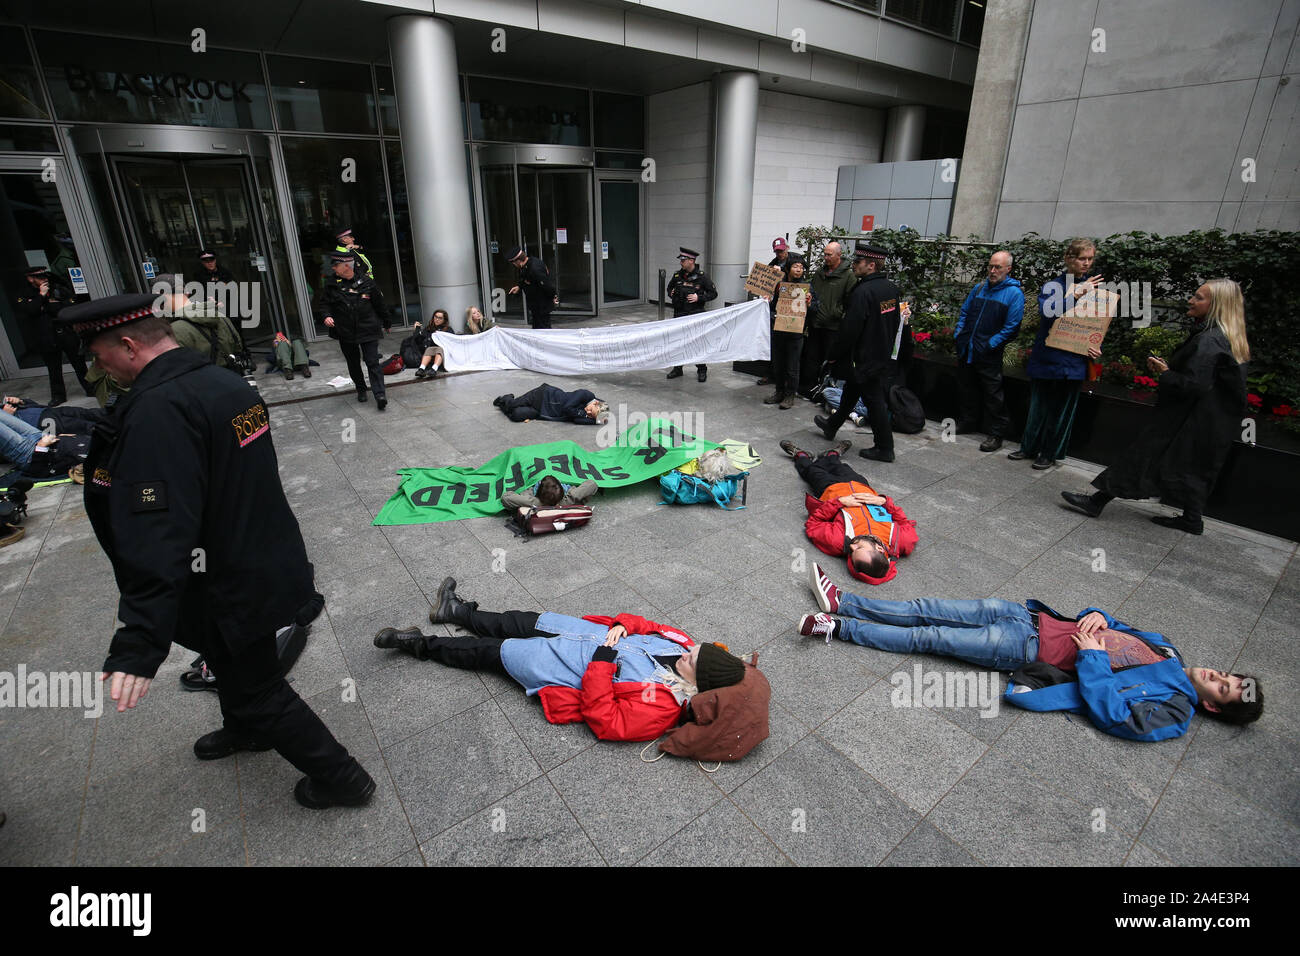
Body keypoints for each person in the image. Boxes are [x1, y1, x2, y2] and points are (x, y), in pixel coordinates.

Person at [54, 293, 374, 808]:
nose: (98, 366)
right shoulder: (222, 382)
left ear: (130, 345)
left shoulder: (158, 411)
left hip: (226, 580)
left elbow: (158, 531)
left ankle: (342, 779)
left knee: (258, 686)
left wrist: (139, 642)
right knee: (231, 663)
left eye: (98, 355)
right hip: (259, 557)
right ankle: (247, 730)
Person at [798, 565, 1263, 742]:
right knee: (926, 608)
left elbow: (1119, 716)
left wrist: (1094, 657)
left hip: (1025, 647)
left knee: (930, 638)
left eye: (1223, 687)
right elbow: (1118, 627)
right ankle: (846, 602)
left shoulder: (1176, 710)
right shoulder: (1169, 650)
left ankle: (838, 627)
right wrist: (1100, 614)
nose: (1216, 674)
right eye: (1227, 673)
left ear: (1211, 704)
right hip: (1031, 617)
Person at [373, 577, 747, 742]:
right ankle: (453, 611)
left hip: (556, 663)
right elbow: (646, 624)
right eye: (694, 648)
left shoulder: (662, 707)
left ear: (696, 682)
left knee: (486, 652)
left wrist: (602, 663)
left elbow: (606, 721)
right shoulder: (681, 643)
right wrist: (622, 625)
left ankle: (418, 644)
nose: (686, 651)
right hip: (570, 630)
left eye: (690, 659)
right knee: (510, 620)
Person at [1061, 279, 1250, 535]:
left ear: (1216, 305)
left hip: (1187, 418)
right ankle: (1192, 519)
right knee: (1196, 467)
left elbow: (1194, 385)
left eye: (1199, 298)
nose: (1191, 301)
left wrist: (1165, 373)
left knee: (1141, 455)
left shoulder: (1209, 340)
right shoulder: (1230, 337)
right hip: (1211, 421)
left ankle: (1096, 501)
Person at [1009, 239, 1104, 469]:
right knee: (1038, 406)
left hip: (1074, 361)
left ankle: (1049, 453)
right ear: (1069, 258)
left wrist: (1096, 346)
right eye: (1082, 258)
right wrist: (1078, 294)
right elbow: (1049, 313)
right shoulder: (1054, 285)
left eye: (1090, 259)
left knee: (1060, 411)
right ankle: (1029, 447)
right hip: (1048, 356)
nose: (1087, 263)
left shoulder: (1097, 290)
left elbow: (1098, 325)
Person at [813, 241, 904, 462]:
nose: (854, 265)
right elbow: (894, 323)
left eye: (858, 262)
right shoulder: (890, 289)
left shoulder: (863, 291)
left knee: (874, 401)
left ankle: (885, 448)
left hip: (864, 357)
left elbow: (850, 329)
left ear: (871, 265)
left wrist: (834, 354)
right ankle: (832, 425)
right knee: (852, 391)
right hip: (880, 354)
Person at [779, 438, 916, 584]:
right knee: (842, 467)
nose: (852, 546)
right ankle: (832, 455)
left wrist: (838, 503)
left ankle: (800, 455)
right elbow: (904, 522)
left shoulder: (839, 541)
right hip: (860, 485)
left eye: (853, 552)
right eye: (859, 547)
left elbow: (814, 525)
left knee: (812, 470)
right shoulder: (900, 541)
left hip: (830, 489)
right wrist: (885, 502)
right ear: (879, 549)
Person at [953, 250, 1025, 453]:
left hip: (988, 352)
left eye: (998, 267)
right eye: (991, 266)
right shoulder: (979, 288)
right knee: (967, 387)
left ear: (1008, 269)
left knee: (993, 394)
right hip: (967, 347)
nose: (992, 271)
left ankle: (996, 433)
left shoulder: (1014, 294)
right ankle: (968, 422)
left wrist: (991, 344)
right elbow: (965, 312)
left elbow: (1012, 327)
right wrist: (960, 333)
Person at [317, 250, 391, 410]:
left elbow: (380, 304)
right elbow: (324, 305)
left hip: (368, 329)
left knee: (372, 362)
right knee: (353, 362)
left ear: (345, 266)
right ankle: (361, 389)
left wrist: (386, 322)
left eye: (335, 266)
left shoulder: (367, 282)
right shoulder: (331, 284)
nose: (334, 269)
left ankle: (380, 394)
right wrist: (326, 316)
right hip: (345, 331)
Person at [15, 266, 91, 404]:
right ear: (30, 278)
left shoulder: (57, 287)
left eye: (45, 276)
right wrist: (41, 296)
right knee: (54, 368)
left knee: (79, 364)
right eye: (39, 277)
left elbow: (70, 305)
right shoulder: (25, 293)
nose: (44, 279)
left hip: (65, 332)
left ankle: (91, 389)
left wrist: (47, 307)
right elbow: (30, 310)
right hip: (45, 336)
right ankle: (58, 396)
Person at [155, 274, 244, 372]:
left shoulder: (174, 330)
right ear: (187, 292)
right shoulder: (221, 317)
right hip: (233, 379)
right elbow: (238, 347)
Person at [801, 240, 855, 397]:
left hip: (833, 326)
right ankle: (808, 387)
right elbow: (811, 291)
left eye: (829, 254)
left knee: (829, 359)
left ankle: (825, 390)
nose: (825, 257)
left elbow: (850, 302)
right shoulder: (819, 273)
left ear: (839, 255)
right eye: (824, 254)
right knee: (811, 356)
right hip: (816, 323)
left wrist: (838, 315)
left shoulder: (848, 276)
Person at [763, 258, 815, 410]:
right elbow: (772, 307)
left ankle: (789, 395)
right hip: (779, 331)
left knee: (792, 367)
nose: (799, 269)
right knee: (778, 365)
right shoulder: (780, 286)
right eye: (795, 266)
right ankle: (779, 392)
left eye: (801, 267)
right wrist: (769, 300)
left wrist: (810, 304)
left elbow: (815, 310)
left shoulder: (808, 288)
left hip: (796, 334)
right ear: (788, 269)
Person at [665, 247, 717, 382]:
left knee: (697, 343)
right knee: (678, 342)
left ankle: (701, 369)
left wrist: (698, 298)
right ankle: (678, 369)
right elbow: (669, 287)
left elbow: (713, 294)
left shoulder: (702, 276)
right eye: (681, 260)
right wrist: (670, 292)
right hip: (679, 313)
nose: (681, 262)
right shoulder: (678, 275)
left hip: (695, 314)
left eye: (683, 260)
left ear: (691, 261)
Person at [492, 383, 609, 425]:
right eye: (590, 410)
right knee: (512, 405)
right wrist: (585, 414)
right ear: (596, 403)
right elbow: (567, 407)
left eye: (590, 414)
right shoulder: (586, 394)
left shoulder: (588, 413)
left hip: (542, 412)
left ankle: (506, 404)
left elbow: (577, 420)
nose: (587, 412)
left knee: (516, 415)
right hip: (542, 395)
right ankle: (507, 399)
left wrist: (596, 420)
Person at [506, 245, 557, 329]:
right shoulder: (526, 264)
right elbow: (524, 277)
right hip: (535, 306)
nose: (514, 265)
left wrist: (553, 296)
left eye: (513, 263)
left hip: (541, 306)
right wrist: (519, 286)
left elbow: (547, 285)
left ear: (518, 261)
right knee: (537, 329)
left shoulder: (534, 268)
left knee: (544, 330)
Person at [501, 474, 598, 515]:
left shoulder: (533, 501)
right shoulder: (568, 499)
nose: (555, 506)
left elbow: (506, 497)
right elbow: (592, 483)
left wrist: (535, 502)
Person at [412, 309, 455, 379]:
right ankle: (421, 369)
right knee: (429, 349)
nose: (437, 319)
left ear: (444, 320)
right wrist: (416, 330)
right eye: (435, 317)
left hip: (442, 354)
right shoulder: (429, 328)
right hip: (430, 353)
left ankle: (434, 369)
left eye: (440, 318)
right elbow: (418, 340)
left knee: (439, 349)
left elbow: (453, 343)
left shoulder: (448, 330)